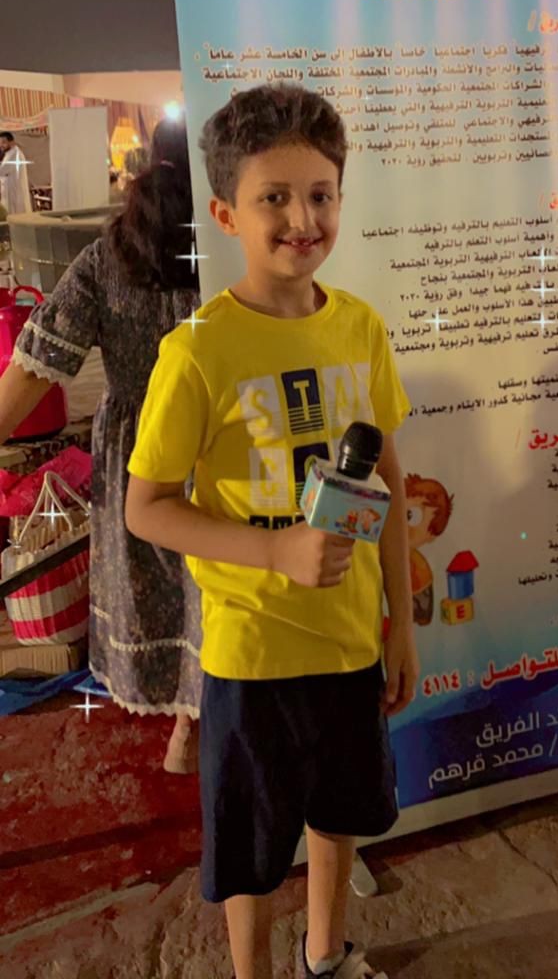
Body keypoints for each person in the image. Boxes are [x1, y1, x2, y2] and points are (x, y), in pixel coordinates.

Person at [126, 83, 418, 979]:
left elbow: (392, 485)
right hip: (250, 654)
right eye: (274, 198)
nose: (302, 219)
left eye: (320, 194)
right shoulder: (198, 351)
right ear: (226, 214)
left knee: (339, 813)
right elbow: (147, 504)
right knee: (249, 845)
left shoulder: (360, 328)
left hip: (347, 643)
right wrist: (274, 550)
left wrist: (401, 625)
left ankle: (324, 954)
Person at [0, 119, 202, 772]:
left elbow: (32, 369)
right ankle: (196, 720)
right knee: (214, 585)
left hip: (138, 456)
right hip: (216, 443)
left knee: (152, 586)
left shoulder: (108, 257)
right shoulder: (235, 251)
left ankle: (182, 726)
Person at [0, 130, 32, 215]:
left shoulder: (15, 154)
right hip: (10, 192)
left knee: (16, 216)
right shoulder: (9, 153)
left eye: (3, 142)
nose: (1, 145)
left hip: (15, 193)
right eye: (0, 143)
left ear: (12, 142)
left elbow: (2, 171)